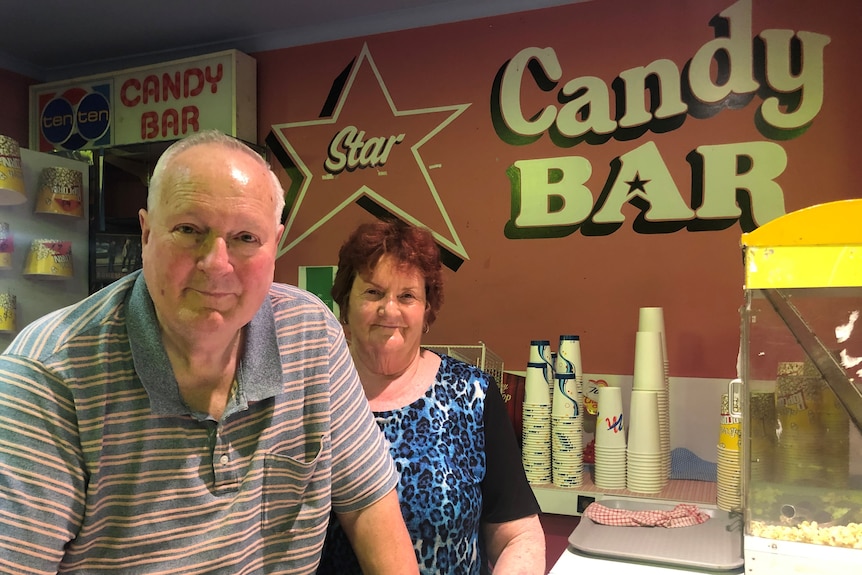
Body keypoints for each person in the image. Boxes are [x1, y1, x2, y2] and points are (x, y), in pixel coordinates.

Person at [0, 130, 418, 575]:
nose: (216, 264)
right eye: (188, 230)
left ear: (274, 244)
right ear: (146, 233)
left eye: (245, 238)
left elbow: (369, 504)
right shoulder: (48, 376)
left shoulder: (311, 334)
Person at [318, 219, 546, 574]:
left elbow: (519, 535)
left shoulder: (472, 395)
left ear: (427, 311)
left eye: (407, 296)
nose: (389, 310)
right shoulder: (313, 393)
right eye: (373, 292)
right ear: (345, 305)